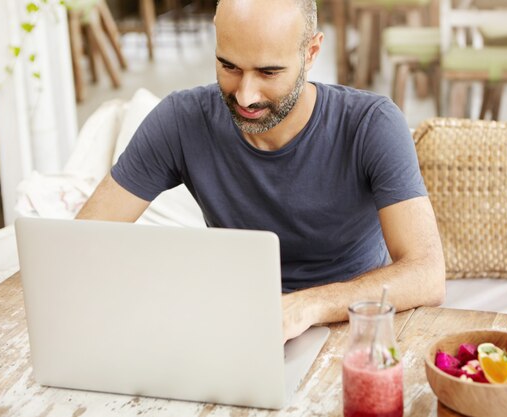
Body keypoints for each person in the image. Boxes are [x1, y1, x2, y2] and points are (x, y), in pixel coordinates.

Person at [75, 0, 446, 341]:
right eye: (228, 66)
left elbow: (426, 274)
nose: (245, 96)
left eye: (269, 72)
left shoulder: (371, 124)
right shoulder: (180, 120)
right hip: (237, 327)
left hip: (353, 326)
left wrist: (306, 307)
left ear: (311, 52)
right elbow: (81, 243)